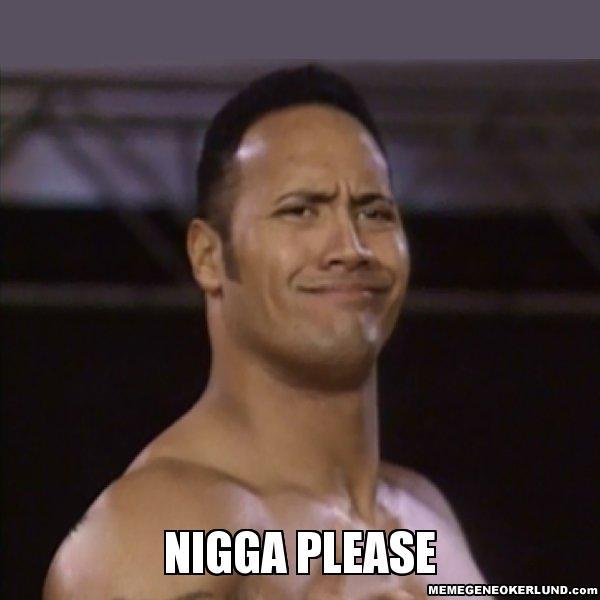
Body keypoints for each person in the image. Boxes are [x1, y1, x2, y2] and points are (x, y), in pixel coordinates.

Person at [44, 65, 487, 599]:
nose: (351, 248)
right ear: (208, 257)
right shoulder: (152, 532)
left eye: (374, 212)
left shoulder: (425, 517)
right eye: (300, 211)